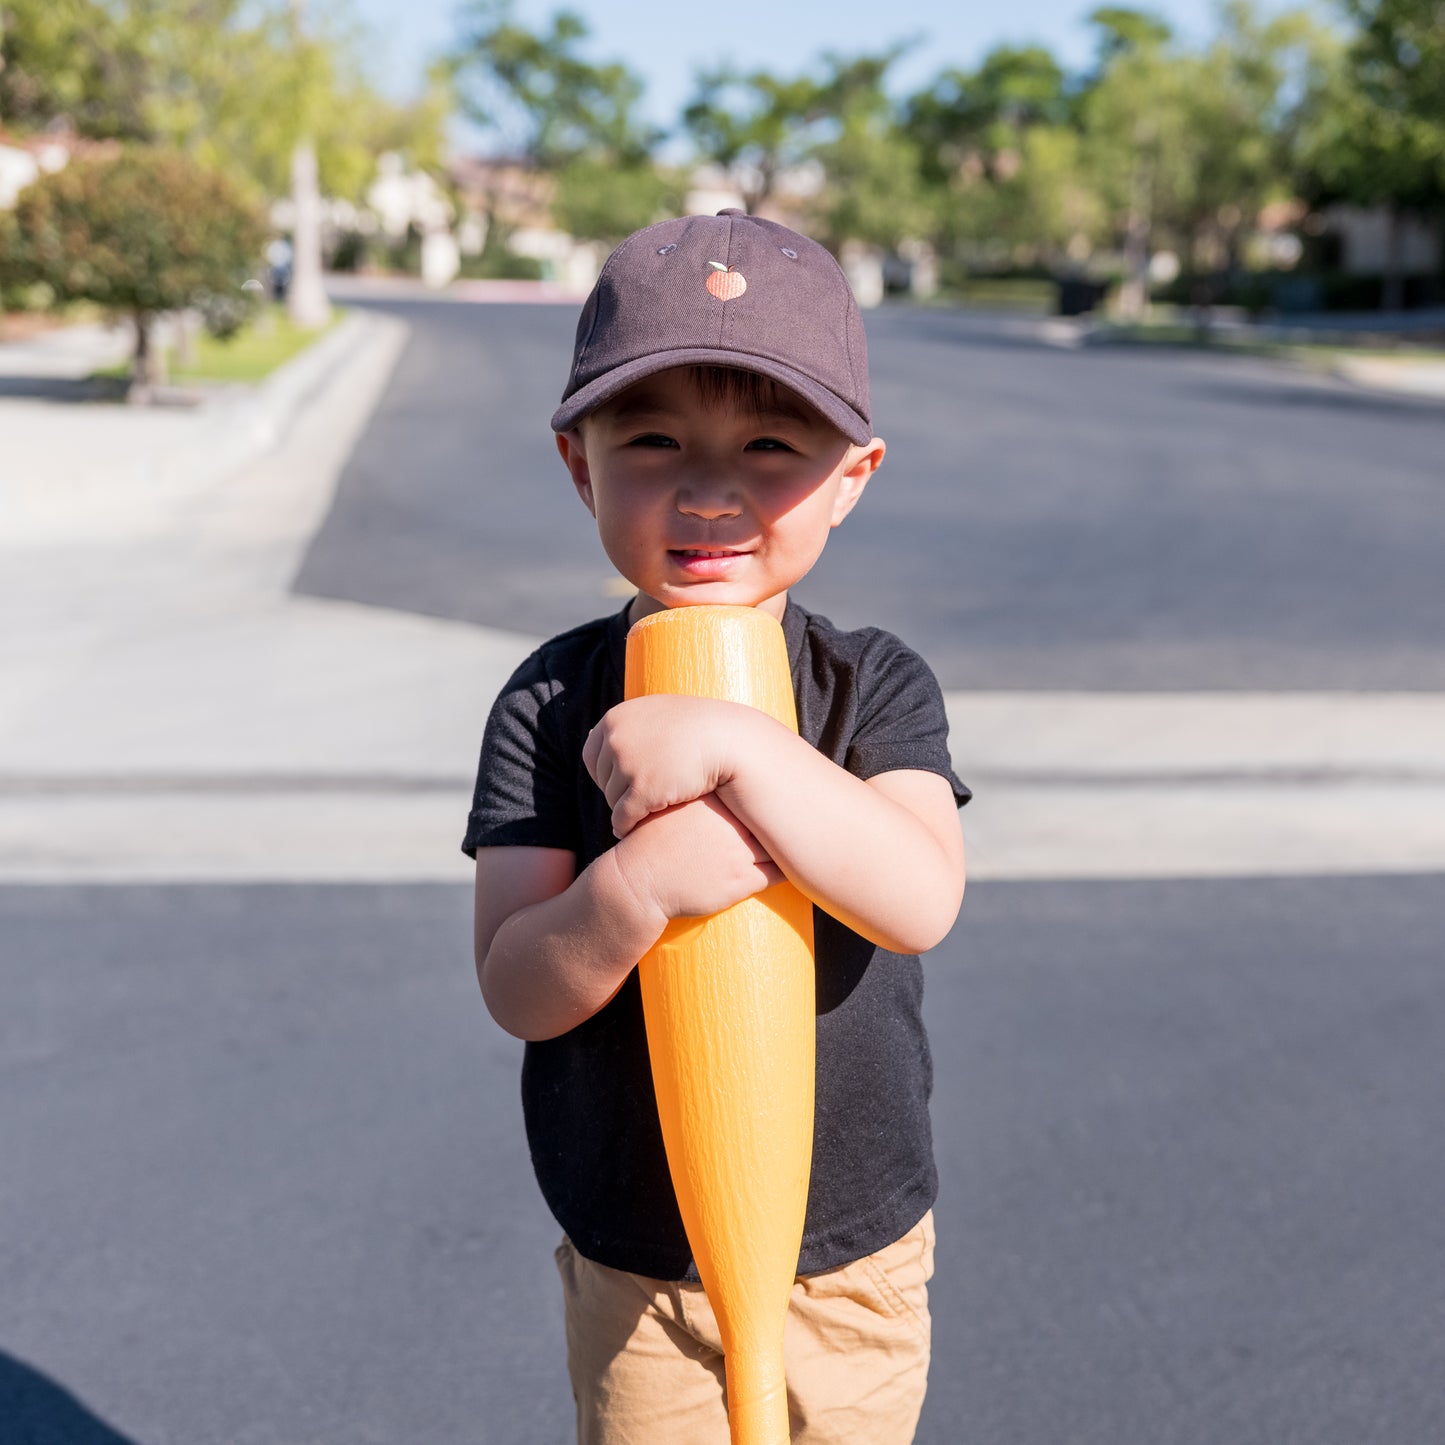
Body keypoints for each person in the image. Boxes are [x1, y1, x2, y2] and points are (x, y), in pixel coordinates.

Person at [463, 209, 971, 1444]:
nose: (707, 489)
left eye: (766, 444)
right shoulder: (549, 696)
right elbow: (517, 983)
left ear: (850, 476)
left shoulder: (871, 686)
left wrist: (745, 745)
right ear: (579, 464)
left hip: (850, 1257)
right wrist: (637, 886)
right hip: (640, 1262)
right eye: (650, 439)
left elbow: (917, 894)